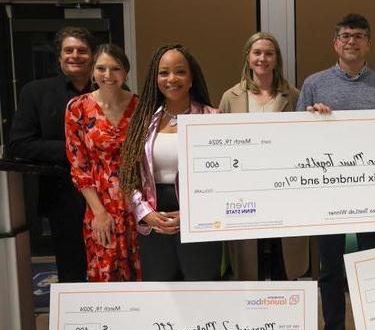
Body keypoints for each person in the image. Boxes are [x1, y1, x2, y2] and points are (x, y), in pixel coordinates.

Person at [296, 13, 375, 330]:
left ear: (368, 43)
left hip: (372, 195)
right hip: (327, 194)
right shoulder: (314, 84)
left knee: (372, 268)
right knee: (329, 272)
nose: (351, 41)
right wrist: (312, 119)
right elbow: (295, 139)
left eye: (358, 36)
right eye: (345, 36)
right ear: (335, 43)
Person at [118, 44, 222, 281]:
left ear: (192, 78)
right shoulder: (142, 121)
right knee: (161, 291)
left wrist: (191, 214)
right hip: (154, 218)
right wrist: (145, 212)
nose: (171, 78)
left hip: (199, 217)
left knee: (202, 287)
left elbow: (222, 182)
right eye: (164, 72)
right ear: (155, 78)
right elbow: (128, 177)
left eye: (180, 72)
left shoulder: (212, 118)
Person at [219, 32, 309, 281]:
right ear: (248, 58)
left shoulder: (293, 95)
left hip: (283, 190)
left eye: (269, 53)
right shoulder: (230, 98)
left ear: (276, 59)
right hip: (244, 193)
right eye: (257, 53)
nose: (263, 58)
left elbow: (304, 141)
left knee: (283, 263)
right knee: (252, 263)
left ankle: (285, 317)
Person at [8, 26, 94, 282]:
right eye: (69, 50)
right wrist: (75, 150)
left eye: (82, 50)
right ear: (59, 57)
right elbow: (19, 144)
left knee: (112, 267)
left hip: (108, 194)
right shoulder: (35, 92)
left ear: (92, 55)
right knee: (72, 270)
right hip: (63, 196)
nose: (75, 55)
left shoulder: (111, 91)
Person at [65, 44, 141, 281]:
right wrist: (99, 212)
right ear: (93, 72)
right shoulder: (77, 108)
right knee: (105, 275)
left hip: (137, 205)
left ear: (125, 73)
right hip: (100, 207)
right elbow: (78, 166)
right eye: (101, 68)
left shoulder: (140, 107)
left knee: (142, 275)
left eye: (115, 68)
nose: (108, 75)